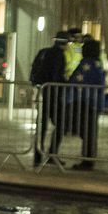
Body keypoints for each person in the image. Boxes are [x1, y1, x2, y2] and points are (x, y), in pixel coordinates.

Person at [30, 31, 70, 167]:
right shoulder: (59, 55)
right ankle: (52, 153)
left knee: (41, 126)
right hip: (54, 94)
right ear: (64, 43)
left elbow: (33, 70)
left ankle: (37, 156)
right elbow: (57, 76)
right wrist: (67, 84)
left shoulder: (43, 52)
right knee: (61, 124)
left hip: (41, 91)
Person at [66, 39, 106, 171]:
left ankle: (87, 160)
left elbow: (75, 80)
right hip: (94, 102)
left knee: (86, 131)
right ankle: (89, 158)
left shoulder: (87, 64)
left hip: (85, 102)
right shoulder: (98, 64)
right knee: (91, 132)